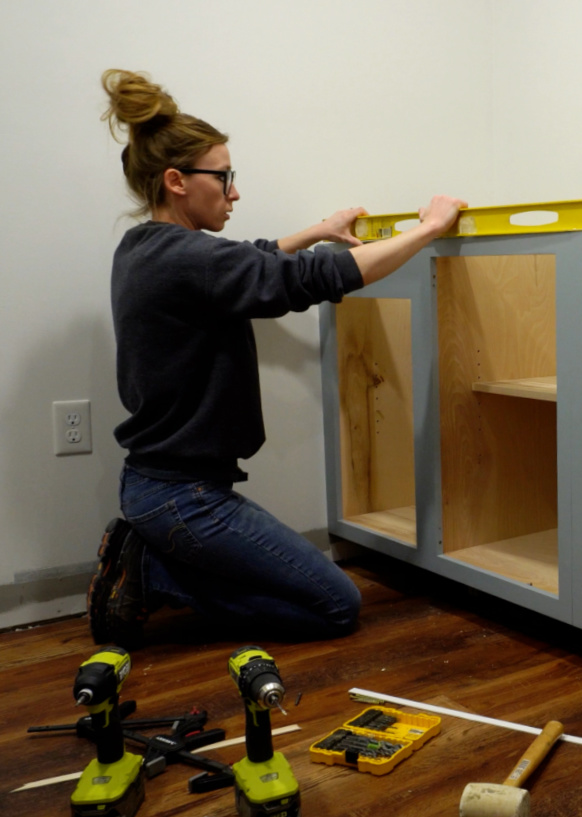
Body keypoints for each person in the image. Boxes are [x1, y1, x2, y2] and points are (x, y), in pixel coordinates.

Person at [88, 68, 466, 649]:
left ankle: (154, 561)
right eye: (224, 177)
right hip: (184, 499)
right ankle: (153, 572)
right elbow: (300, 278)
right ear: (177, 181)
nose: (234, 191)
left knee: (315, 594)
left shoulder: (144, 247)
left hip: (163, 488)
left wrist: (320, 229)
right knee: (336, 606)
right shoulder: (186, 258)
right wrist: (428, 230)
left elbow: (249, 263)